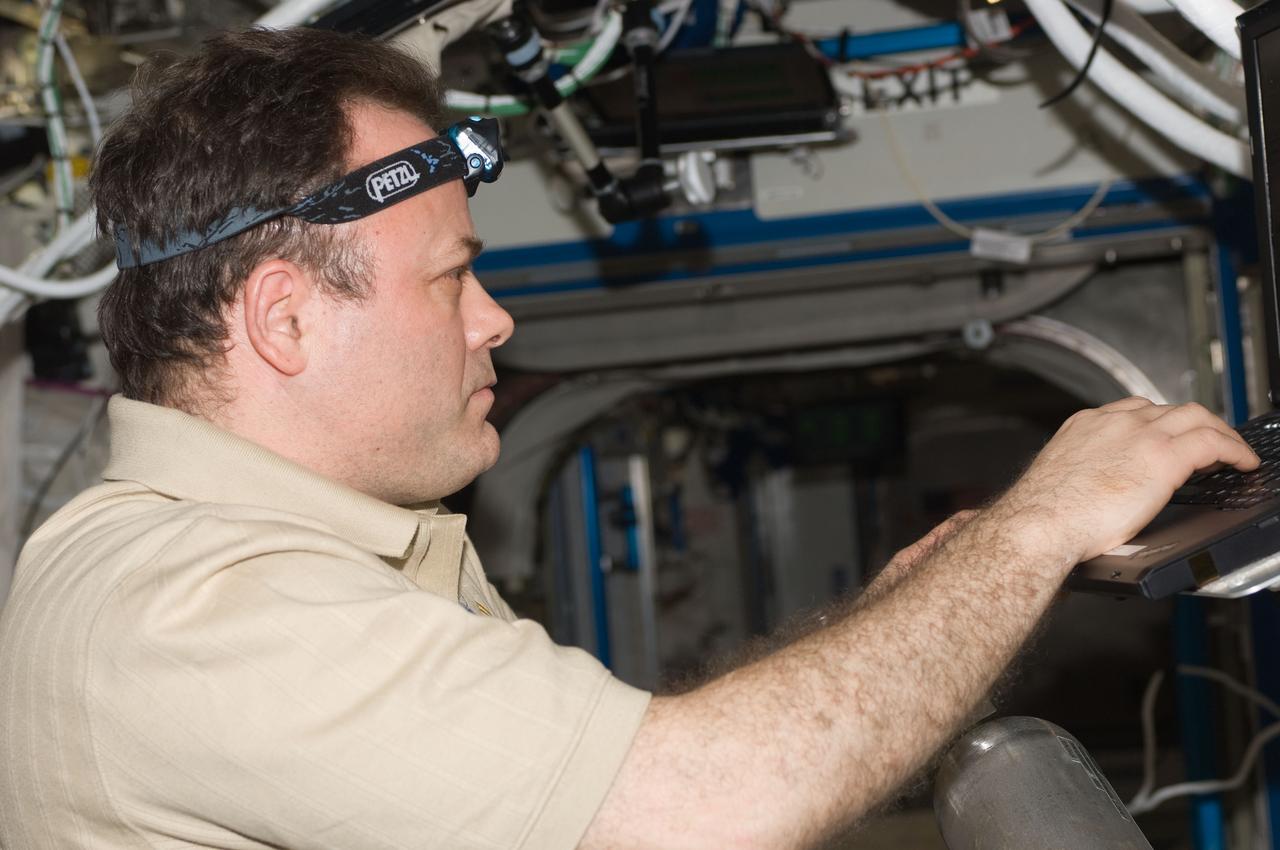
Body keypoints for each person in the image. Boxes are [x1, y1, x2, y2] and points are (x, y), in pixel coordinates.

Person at [0, 24, 1260, 850]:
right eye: (450, 280)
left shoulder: (300, 562)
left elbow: (609, 772)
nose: (493, 318)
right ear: (282, 318)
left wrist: (931, 601)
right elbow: (693, 803)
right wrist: (1037, 527)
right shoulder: (195, 611)